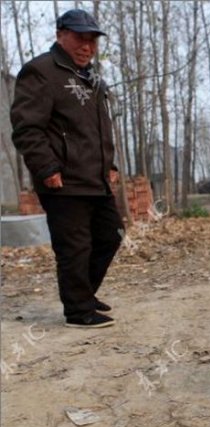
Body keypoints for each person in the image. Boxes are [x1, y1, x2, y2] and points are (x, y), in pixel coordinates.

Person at [10, 9, 123, 328]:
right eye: (79, 38)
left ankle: (82, 294)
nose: (86, 46)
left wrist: (110, 165)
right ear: (61, 35)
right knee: (74, 246)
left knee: (111, 234)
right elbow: (26, 127)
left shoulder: (93, 78)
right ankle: (78, 311)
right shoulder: (41, 71)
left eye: (92, 40)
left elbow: (100, 129)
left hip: (94, 178)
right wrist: (46, 167)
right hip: (62, 179)